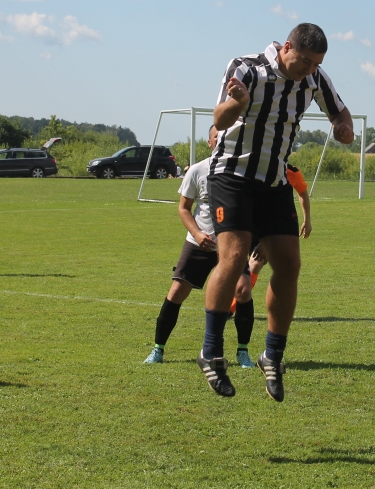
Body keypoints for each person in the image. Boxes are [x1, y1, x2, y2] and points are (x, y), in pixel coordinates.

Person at [201, 23, 353, 401]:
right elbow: (218, 121)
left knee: (289, 263)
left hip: (274, 182)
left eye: (314, 64)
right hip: (232, 175)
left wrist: (344, 127)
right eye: (303, 61)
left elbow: (341, 112)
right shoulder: (247, 68)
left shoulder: (315, 78)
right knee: (235, 257)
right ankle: (211, 349)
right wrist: (237, 103)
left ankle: (273, 353)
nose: (307, 69)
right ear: (286, 47)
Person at [143, 126, 257, 369]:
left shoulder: (245, 171)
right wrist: (197, 233)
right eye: (218, 137)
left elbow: (254, 210)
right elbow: (184, 208)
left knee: (243, 291)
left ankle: (243, 353)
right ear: (209, 142)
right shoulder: (197, 170)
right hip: (198, 244)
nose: (222, 141)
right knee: (176, 292)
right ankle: (157, 350)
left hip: (231, 245)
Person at [231, 163, 312, 313]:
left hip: (272, 225)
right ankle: (232, 302)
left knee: (255, 263)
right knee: (235, 263)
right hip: (247, 223)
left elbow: (302, 192)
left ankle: (232, 307)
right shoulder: (249, 166)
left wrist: (307, 220)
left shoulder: (290, 171)